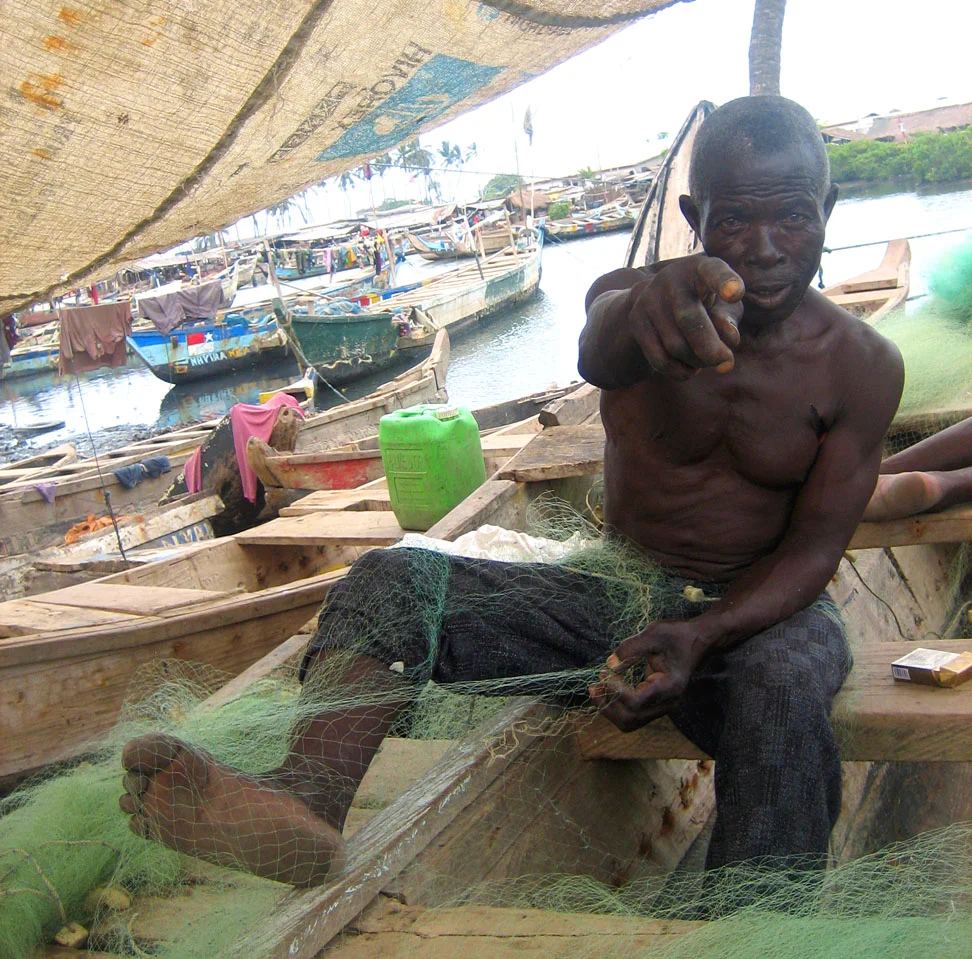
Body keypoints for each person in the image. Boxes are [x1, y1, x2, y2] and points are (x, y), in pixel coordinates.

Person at [119, 96, 903, 887]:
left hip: (764, 617)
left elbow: (811, 555)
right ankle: (306, 799)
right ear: (695, 216)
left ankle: (756, 923)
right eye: (735, 223)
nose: (765, 250)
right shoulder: (637, 304)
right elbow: (603, 344)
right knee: (395, 579)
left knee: (783, 683)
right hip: (623, 600)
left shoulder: (862, 367)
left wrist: (701, 637)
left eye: (794, 220)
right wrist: (644, 309)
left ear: (828, 208)